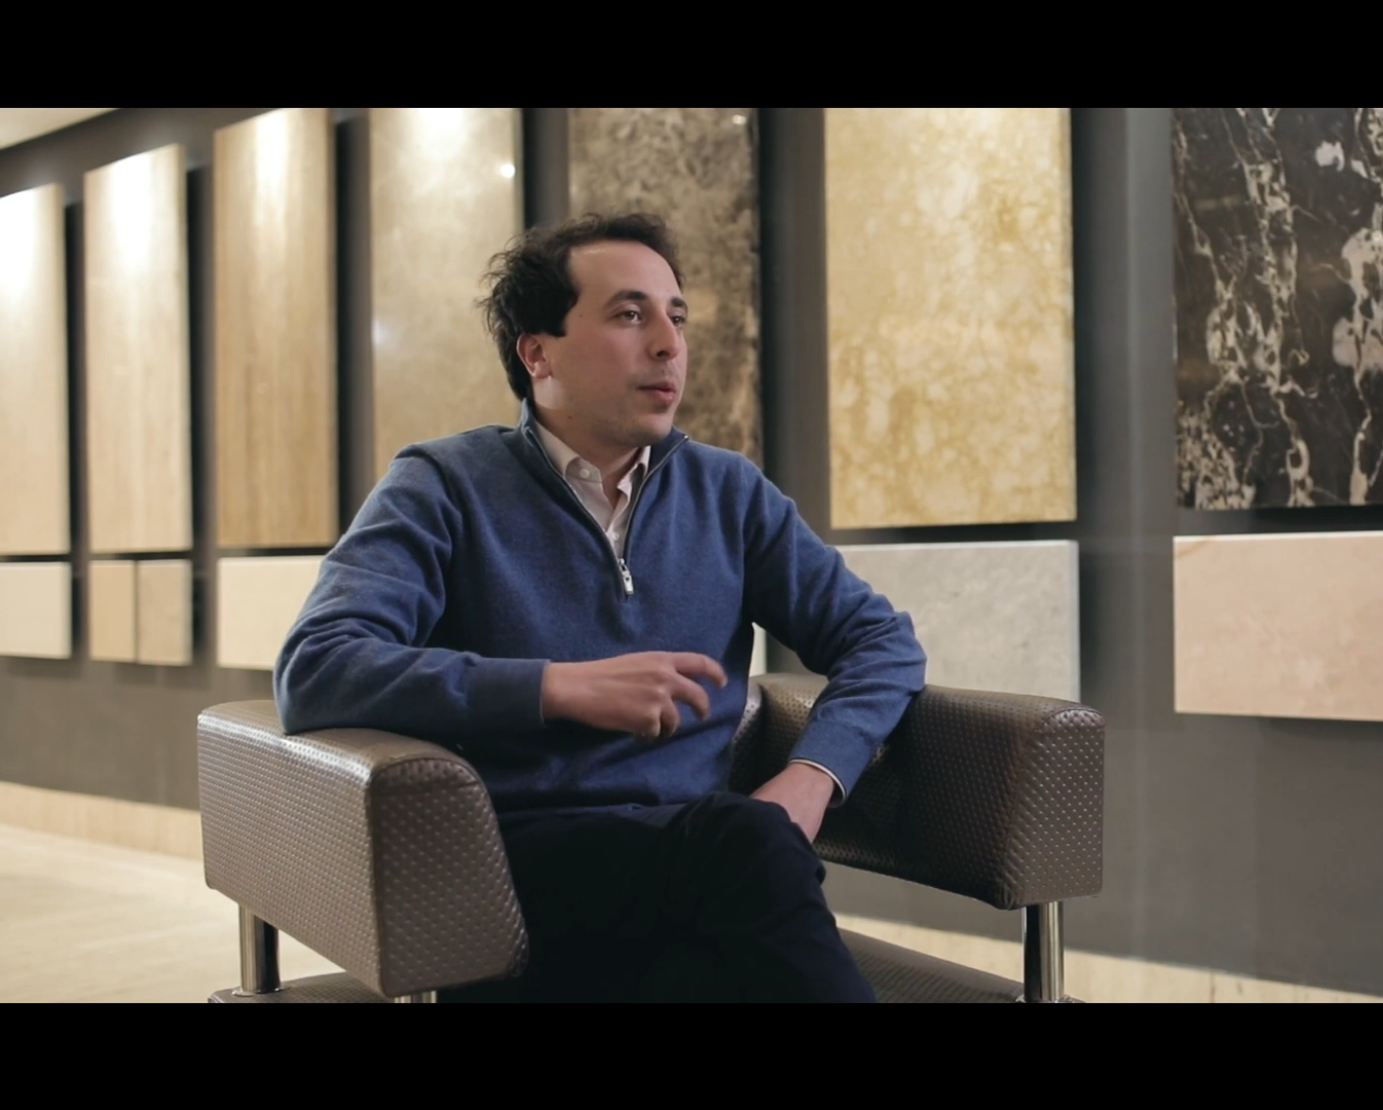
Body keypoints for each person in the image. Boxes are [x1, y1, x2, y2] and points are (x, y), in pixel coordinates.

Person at [273, 212, 927, 1002]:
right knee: (744, 860)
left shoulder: (728, 492)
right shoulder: (442, 485)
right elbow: (318, 668)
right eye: (628, 315)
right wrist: (556, 686)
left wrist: (812, 777)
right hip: (513, 865)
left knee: (717, 941)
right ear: (537, 353)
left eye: (676, 317)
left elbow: (880, 643)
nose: (668, 345)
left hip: (700, 861)